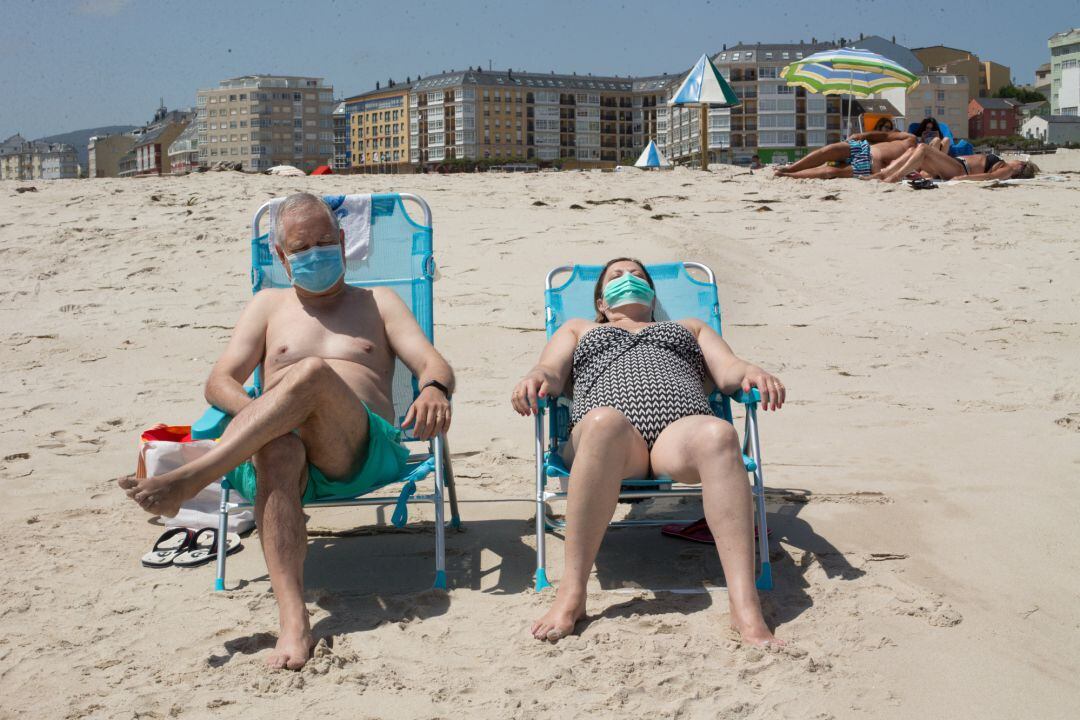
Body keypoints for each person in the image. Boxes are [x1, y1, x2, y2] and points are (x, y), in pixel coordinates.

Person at [119, 193, 455, 671]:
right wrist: (269, 414)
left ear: (343, 242)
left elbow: (431, 362)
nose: (315, 252)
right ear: (281, 256)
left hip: (358, 449)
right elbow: (219, 382)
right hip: (283, 452)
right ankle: (293, 619)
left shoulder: (378, 301)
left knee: (312, 373)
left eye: (324, 241)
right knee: (277, 445)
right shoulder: (267, 305)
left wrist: (435, 389)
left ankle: (194, 478)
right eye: (302, 247)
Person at [511, 258, 787, 646]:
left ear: (653, 295)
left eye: (638, 276)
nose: (629, 280)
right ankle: (571, 596)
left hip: (677, 436)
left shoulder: (688, 327)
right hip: (610, 440)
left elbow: (728, 371)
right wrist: (535, 378)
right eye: (617, 277)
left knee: (719, 433)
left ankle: (745, 607)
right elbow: (550, 372)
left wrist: (751, 372)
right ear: (602, 303)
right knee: (604, 422)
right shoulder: (578, 328)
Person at [774, 130, 916, 179]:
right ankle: (792, 167)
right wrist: (860, 135)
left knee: (830, 172)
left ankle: (789, 175)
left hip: (870, 166)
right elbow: (885, 135)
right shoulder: (911, 138)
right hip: (863, 148)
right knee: (828, 151)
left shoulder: (922, 160)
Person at [879, 143, 1039, 183]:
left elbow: (989, 177)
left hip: (960, 169)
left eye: (1021, 161)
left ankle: (896, 176)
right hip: (955, 164)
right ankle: (881, 174)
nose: (1017, 159)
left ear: (1021, 167)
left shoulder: (1008, 170)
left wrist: (962, 179)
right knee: (912, 150)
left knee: (923, 148)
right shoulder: (1005, 164)